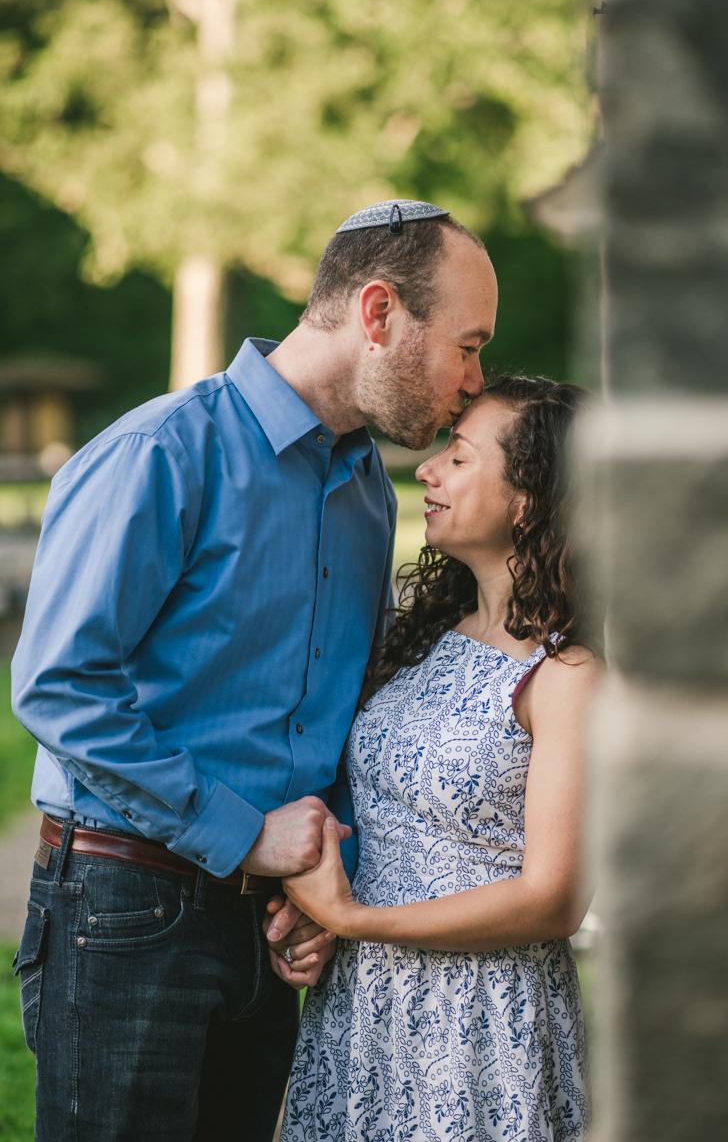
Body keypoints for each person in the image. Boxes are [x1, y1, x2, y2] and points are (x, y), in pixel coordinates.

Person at [10, 198, 498, 1142]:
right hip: (124, 910)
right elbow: (59, 686)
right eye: (467, 347)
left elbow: (337, 708)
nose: (473, 383)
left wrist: (325, 880)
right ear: (379, 312)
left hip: (273, 924)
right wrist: (243, 837)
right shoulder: (163, 452)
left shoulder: (365, 491)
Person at [273, 376, 601, 1142]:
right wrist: (324, 913)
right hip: (361, 1005)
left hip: (480, 1023)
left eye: (458, 458)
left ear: (529, 498)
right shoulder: (425, 635)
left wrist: (353, 917)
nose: (426, 470)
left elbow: (553, 899)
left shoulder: (568, 677)